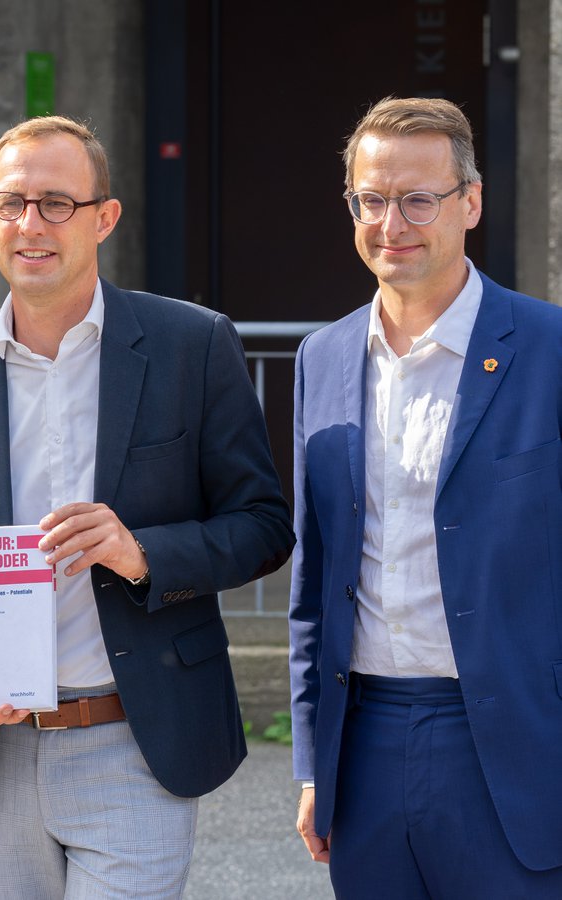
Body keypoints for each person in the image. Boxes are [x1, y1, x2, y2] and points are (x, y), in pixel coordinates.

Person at [0, 114, 295, 898]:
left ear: (104, 218)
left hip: (134, 736)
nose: (31, 224)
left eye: (57, 203)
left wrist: (141, 553)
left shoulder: (191, 345)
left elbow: (262, 526)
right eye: (11, 203)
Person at [290, 95, 562, 898]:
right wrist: (313, 763)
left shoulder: (548, 349)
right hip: (365, 743)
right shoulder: (322, 357)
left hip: (513, 741)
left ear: (469, 202)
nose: (391, 224)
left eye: (418, 199)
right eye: (371, 200)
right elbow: (314, 581)